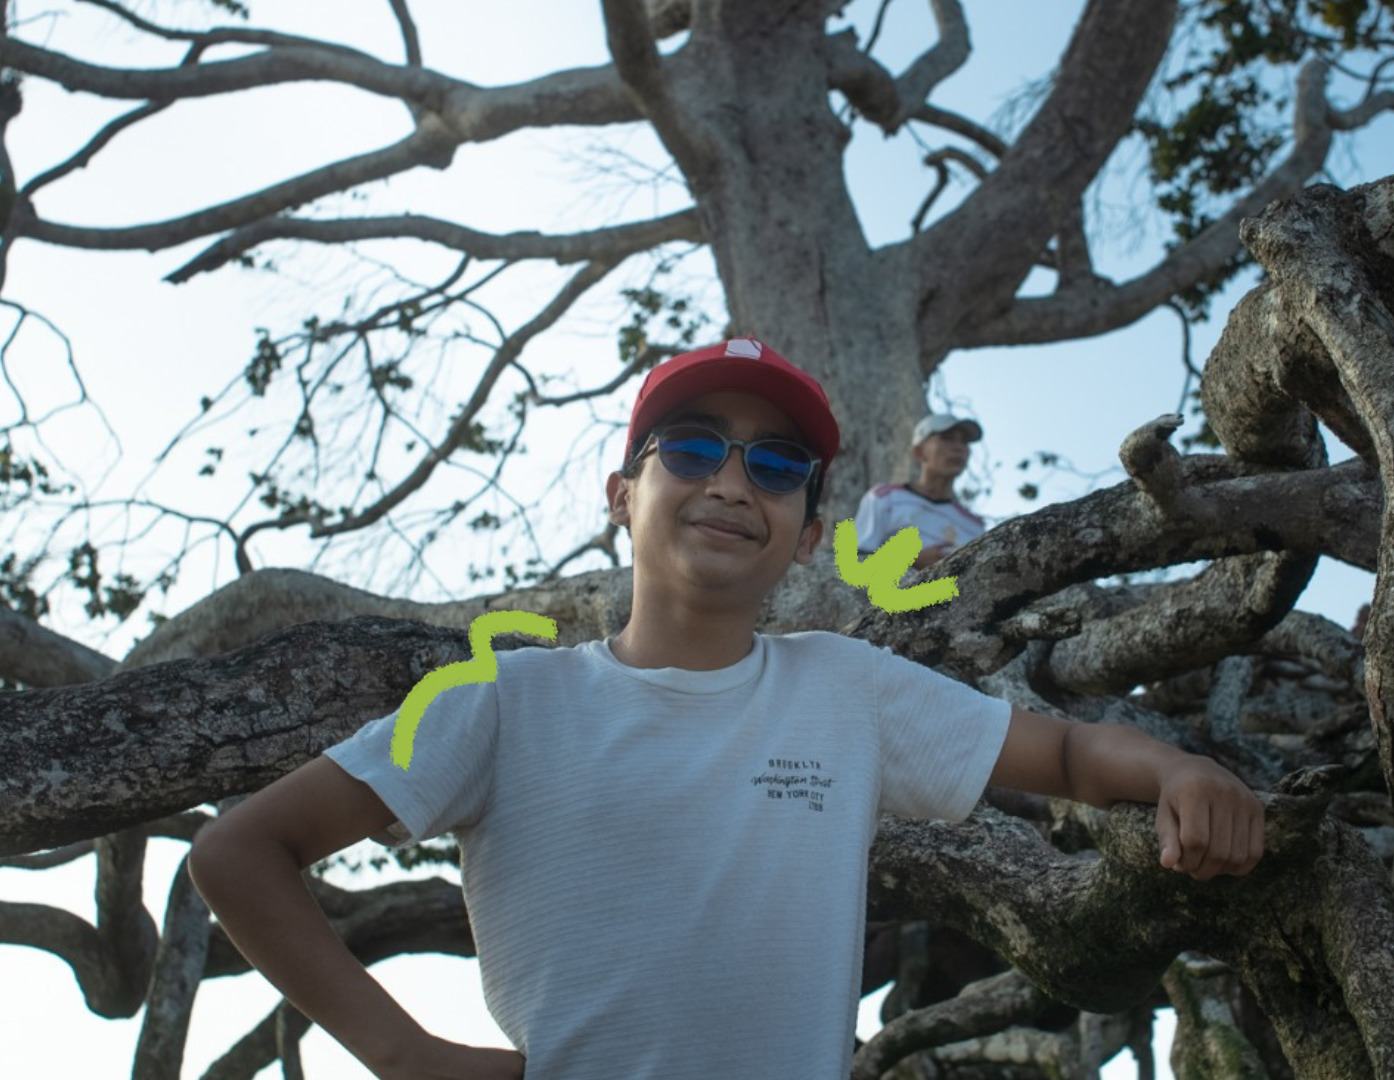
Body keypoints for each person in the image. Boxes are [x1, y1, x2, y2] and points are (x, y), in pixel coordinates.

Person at [187, 337, 1266, 1080]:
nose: (732, 480)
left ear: (806, 534)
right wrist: (402, 1051)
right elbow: (240, 852)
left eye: (777, 463)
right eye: (694, 446)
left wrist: (1180, 772)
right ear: (622, 497)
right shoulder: (500, 700)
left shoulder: (848, 689)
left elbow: (1073, 753)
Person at [854, 412, 987, 569]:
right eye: (946, 438)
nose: (958, 448)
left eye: (964, 442)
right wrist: (909, 560)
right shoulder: (885, 498)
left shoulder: (974, 526)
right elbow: (855, 564)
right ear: (919, 452)